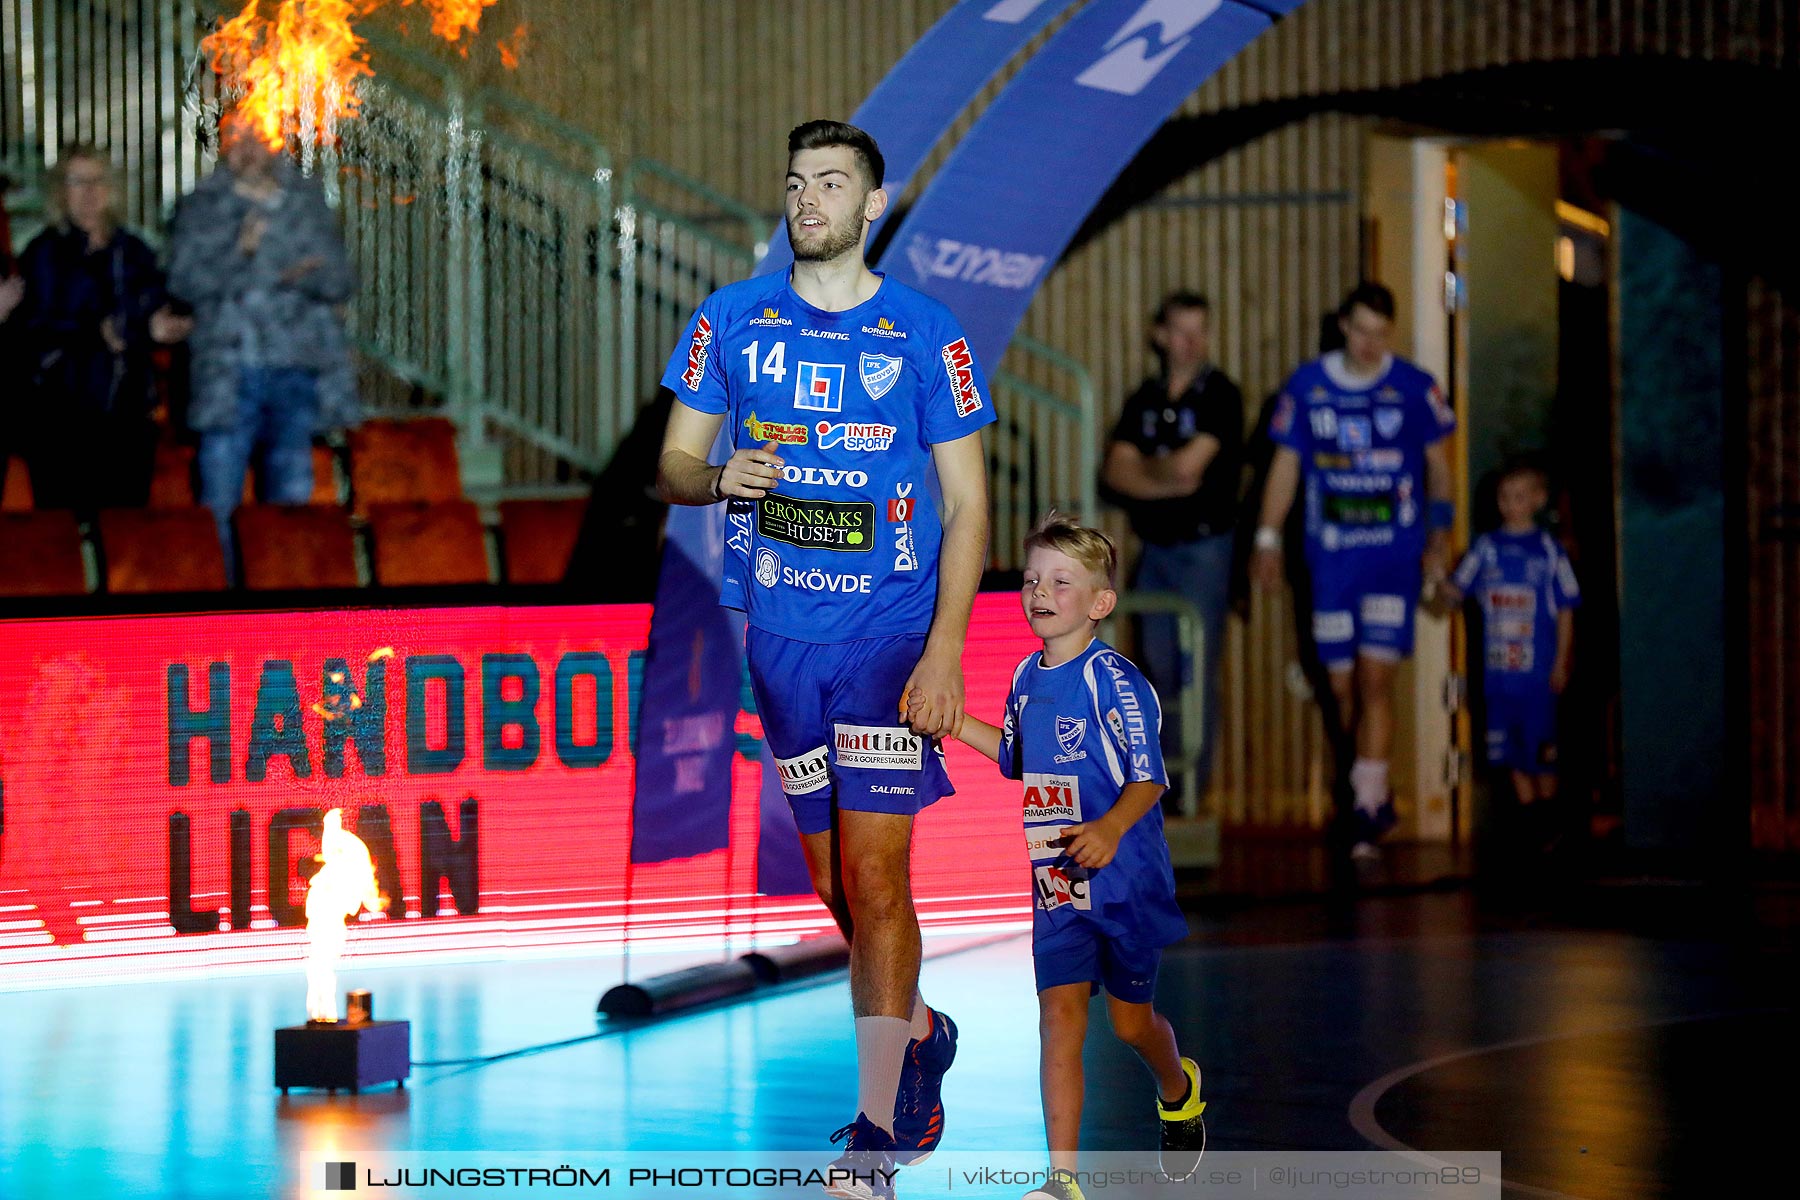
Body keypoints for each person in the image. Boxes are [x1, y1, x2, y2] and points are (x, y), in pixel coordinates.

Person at [654, 119, 994, 1197]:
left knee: (881, 873)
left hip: (889, 638)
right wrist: (718, 479)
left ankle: (879, 1126)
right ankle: (924, 1029)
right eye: (796, 181)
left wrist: (944, 649)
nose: (808, 199)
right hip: (781, 642)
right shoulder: (731, 322)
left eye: (832, 183)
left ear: (873, 206)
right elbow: (671, 463)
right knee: (837, 887)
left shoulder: (926, 332)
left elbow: (970, 502)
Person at [942, 513, 1204, 1200]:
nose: (1040, 592)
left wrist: (1112, 829)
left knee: (1129, 1025)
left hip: (1124, 882)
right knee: (1058, 1018)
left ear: (1100, 603)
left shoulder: (1114, 680)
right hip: (1057, 883)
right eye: (1032, 579)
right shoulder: (1027, 675)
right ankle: (1062, 1180)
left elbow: (1149, 776)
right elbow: (1013, 758)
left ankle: (1178, 1088)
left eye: (1061, 581)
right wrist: (948, 721)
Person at [1250, 282, 1456, 860]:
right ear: (1343, 324)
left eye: (1381, 334)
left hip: (1392, 560)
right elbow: (1285, 467)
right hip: (1330, 561)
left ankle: (1366, 805)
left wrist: (1441, 536)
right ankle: (1371, 788)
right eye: (1361, 330)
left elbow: (1440, 468)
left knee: (1375, 683)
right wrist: (1266, 538)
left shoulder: (1415, 389)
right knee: (1341, 686)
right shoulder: (1308, 386)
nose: (1371, 344)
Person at [167, 111, 357, 576]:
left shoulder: (304, 203)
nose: (248, 147)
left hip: (294, 371)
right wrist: (243, 254)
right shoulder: (201, 207)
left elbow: (340, 279)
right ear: (224, 146)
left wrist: (305, 275)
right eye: (237, 138)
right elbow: (184, 281)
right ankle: (219, 617)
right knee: (219, 501)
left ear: (276, 144)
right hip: (227, 377)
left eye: (258, 137)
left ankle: (282, 618)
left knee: (289, 502)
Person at [1101, 292, 1243, 808]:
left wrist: (1148, 472)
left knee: (1195, 671)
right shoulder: (1146, 397)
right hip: (1155, 547)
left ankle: (1188, 797)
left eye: (1199, 331)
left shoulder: (1220, 394)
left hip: (1205, 547)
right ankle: (1160, 795)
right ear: (1160, 335)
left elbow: (1188, 471)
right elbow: (1116, 472)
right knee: (1156, 675)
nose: (1191, 343)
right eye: (1181, 331)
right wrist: (1166, 476)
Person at [11, 144, 189, 515]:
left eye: (97, 181)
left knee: (124, 534)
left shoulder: (135, 252)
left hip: (126, 417)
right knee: (65, 536)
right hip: (62, 421)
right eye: (78, 182)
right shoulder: (43, 254)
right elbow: (33, 334)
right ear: (61, 190)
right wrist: (94, 333)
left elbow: (155, 308)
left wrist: (160, 326)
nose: (89, 193)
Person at [1438, 461, 1578, 848]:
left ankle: (1554, 824)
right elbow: (1453, 591)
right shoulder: (1485, 548)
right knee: (1511, 753)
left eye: (1519, 497)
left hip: (1538, 674)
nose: (1510, 505)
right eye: (1504, 497)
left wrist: (1561, 660)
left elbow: (1567, 609)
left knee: (1541, 751)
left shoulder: (1550, 551)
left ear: (1537, 499)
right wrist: (1436, 578)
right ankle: (1530, 827)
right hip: (1499, 677)